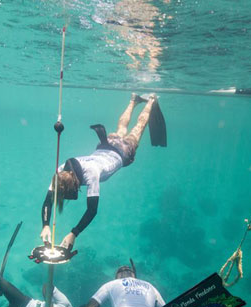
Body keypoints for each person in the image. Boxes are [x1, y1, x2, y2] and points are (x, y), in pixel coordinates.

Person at [39, 93, 165, 250]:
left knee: (137, 129)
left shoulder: (90, 174)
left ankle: (150, 100)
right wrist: (45, 225)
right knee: (121, 128)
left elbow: (92, 210)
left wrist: (73, 233)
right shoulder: (60, 172)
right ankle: (133, 100)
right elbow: (47, 201)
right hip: (105, 147)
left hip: (122, 153)